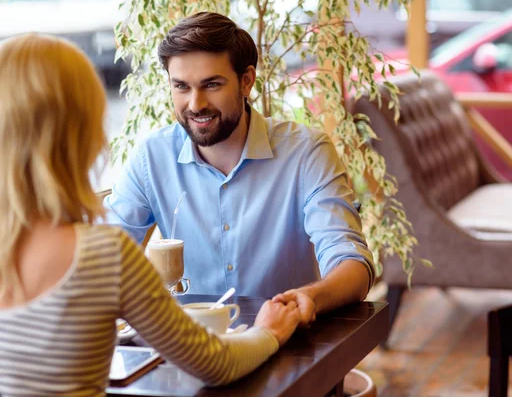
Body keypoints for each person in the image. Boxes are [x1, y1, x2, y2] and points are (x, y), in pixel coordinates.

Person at [0, 33, 301, 396]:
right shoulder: (104, 255)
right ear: (82, 134)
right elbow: (215, 363)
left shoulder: (303, 149)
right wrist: (269, 332)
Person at [104, 12, 375, 328]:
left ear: (246, 81)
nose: (195, 104)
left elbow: (352, 265)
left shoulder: (306, 152)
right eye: (181, 86)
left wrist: (309, 298)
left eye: (212, 84)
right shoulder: (152, 157)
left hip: (284, 344)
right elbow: (105, 258)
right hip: (189, 350)